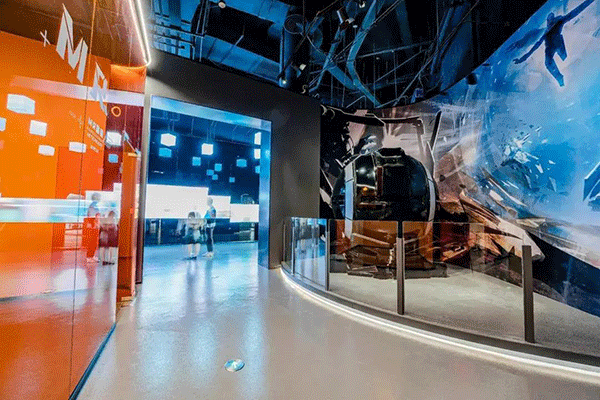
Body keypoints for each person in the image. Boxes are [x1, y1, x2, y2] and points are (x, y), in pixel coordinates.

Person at [513, 0, 595, 86]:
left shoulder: (559, 22)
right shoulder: (546, 32)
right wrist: (522, 58)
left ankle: (560, 77)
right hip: (550, 47)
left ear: (552, 19)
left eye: (550, 20)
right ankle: (560, 78)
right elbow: (535, 46)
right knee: (548, 62)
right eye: (548, 21)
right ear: (547, 21)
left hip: (556, 43)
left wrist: (588, 2)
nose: (549, 23)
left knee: (549, 61)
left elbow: (575, 12)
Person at [84, 193, 101, 263]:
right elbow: (92, 217)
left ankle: (92, 256)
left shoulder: (95, 206)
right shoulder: (92, 206)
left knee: (94, 242)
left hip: (95, 226)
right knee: (92, 242)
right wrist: (95, 224)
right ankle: (89, 257)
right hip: (93, 227)